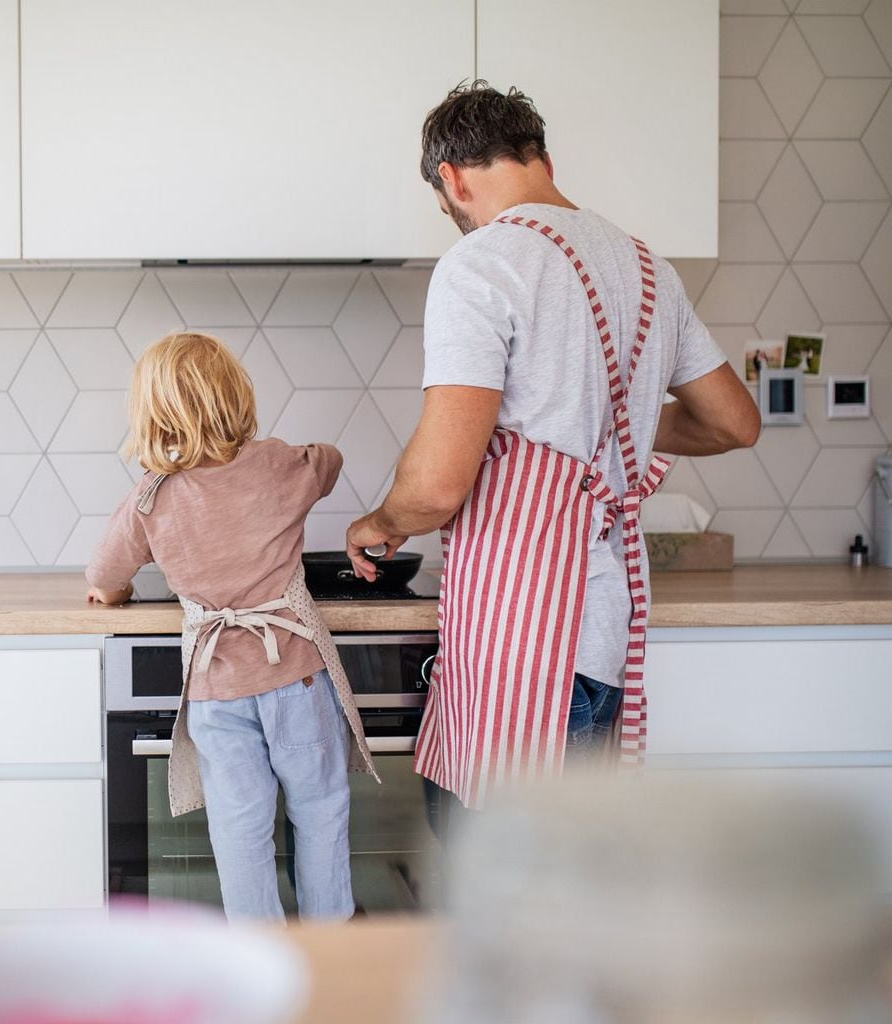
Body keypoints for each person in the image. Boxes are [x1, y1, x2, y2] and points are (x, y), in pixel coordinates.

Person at [346, 83, 760, 813]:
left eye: (451, 210)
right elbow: (733, 422)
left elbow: (440, 484)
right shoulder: (649, 268)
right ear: (542, 158)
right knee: (566, 884)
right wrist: (613, 423)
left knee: (509, 891)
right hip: (603, 636)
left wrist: (379, 524)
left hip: (527, 642)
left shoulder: (484, 264)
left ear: (451, 178)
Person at [86, 332, 377, 921]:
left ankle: (257, 947)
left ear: (151, 414)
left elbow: (105, 574)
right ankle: (334, 945)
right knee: (320, 807)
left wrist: (109, 592)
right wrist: (293, 462)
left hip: (218, 690)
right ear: (237, 398)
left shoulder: (150, 499)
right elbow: (331, 459)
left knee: (240, 826)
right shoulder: (278, 465)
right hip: (295, 674)